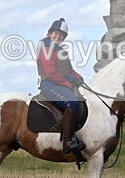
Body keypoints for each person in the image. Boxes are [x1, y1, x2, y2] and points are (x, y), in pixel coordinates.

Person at [36, 18, 87, 155]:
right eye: (55, 34)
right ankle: (67, 142)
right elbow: (51, 73)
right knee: (73, 104)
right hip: (50, 84)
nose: (57, 36)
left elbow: (69, 70)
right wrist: (69, 84)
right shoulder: (46, 48)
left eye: (61, 35)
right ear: (49, 33)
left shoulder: (59, 50)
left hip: (60, 84)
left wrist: (79, 78)